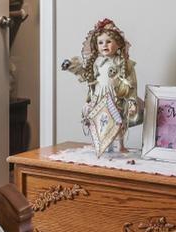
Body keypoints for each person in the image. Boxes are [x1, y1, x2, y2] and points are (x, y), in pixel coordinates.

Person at [61, 18, 143, 156]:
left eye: (109, 41)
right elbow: (84, 72)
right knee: (100, 121)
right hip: (99, 97)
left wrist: (131, 99)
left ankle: (120, 146)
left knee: (118, 121)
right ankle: (101, 144)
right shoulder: (96, 63)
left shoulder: (123, 63)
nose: (104, 45)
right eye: (100, 42)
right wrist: (71, 66)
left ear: (118, 44)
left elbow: (131, 82)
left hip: (115, 97)